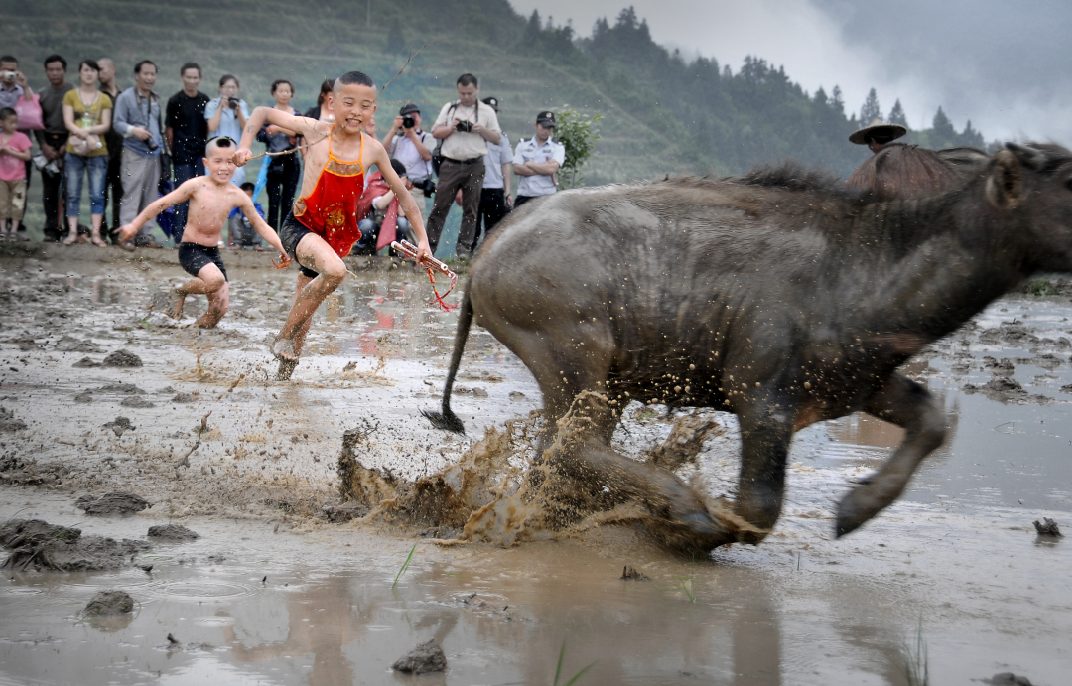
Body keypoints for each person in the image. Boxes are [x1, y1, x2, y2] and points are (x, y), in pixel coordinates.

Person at [233, 70, 432, 380]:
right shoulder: (315, 130)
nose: (356, 112)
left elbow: (405, 197)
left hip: (332, 237)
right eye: (348, 103)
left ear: (373, 111)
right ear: (332, 102)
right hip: (299, 227)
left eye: (365, 106)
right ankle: (283, 335)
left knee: (307, 309)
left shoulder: (373, 149)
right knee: (336, 272)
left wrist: (423, 241)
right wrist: (244, 145)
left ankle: (285, 378)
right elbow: (261, 113)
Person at [119, 138, 287, 328]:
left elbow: (261, 226)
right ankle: (181, 291)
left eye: (230, 162)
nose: (224, 167)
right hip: (190, 250)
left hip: (212, 252)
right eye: (218, 161)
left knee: (220, 308)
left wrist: (281, 247)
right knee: (216, 280)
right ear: (206, 163)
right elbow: (160, 204)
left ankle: (193, 333)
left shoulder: (236, 194)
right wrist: (133, 226)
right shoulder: (196, 186)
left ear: (237, 165)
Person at [428, 73, 501, 258]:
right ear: (458, 91)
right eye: (462, 93)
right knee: (440, 207)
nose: (466, 97)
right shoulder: (450, 108)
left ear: (477, 90)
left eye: (469, 93)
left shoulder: (486, 111)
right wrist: (451, 128)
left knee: (471, 209)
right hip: (450, 164)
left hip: (474, 165)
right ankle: (429, 248)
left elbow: (496, 138)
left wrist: (480, 129)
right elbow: (436, 132)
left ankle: (464, 250)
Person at [113, 60, 164, 248]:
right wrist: (134, 130)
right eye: (146, 74)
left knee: (151, 196)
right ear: (137, 76)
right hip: (133, 151)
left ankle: (145, 235)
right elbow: (117, 123)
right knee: (132, 193)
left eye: (153, 74)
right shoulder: (125, 97)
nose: (150, 78)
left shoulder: (155, 99)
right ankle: (127, 235)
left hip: (154, 153)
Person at [61, 60, 112, 246]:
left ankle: (96, 234)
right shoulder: (70, 96)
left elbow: (106, 124)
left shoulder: (103, 98)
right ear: (80, 73)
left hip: (97, 151)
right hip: (73, 150)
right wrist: (84, 133)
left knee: (97, 195)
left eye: (92, 71)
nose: (89, 74)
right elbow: (68, 121)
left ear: (98, 74)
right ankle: (72, 232)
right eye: (86, 70)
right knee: (72, 193)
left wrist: (87, 133)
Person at [166, 62, 209, 243]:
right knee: (182, 194)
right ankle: (179, 236)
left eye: (195, 77)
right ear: (183, 78)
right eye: (189, 77)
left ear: (200, 79)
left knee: (199, 195)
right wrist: (175, 150)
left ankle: (196, 234)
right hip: (181, 154)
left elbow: (207, 127)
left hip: (200, 153)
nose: (192, 81)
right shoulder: (175, 101)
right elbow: (169, 130)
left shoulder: (205, 100)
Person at [36, 55, 74, 242]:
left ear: (64, 70)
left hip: (70, 142)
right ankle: (51, 230)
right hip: (48, 143)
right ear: (46, 72)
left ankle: (69, 229)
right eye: (51, 70)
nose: (55, 73)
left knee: (69, 189)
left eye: (58, 69)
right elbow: (37, 123)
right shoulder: (42, 94)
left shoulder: (72, 92)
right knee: (49, 191)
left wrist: (69, 143)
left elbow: (78, 119)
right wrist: (44, 145)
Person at [257, 79, 301, 230]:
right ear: (274, 93)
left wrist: (278, 127)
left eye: (287, 91)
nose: (284, 94)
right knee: (273, 200)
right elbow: (261, 134)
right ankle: (272, 235)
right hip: (273, 160)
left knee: (288, 201)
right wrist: (284, 129)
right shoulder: (267, 113)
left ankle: (285, 235)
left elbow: (298, 131)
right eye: (281, 91)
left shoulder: (296, 114)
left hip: (291, 161)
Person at [0, 56, 35, 241]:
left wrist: (25, 85)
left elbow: (32, 109)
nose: (9, 74)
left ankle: (16, 227)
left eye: (13, 70)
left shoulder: (22, 90)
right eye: (6, 69)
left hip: (20, 144)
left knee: (20, 191)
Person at [353, 158, 420, 254]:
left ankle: (396, 248)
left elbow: (401, 214)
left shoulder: (399, 191)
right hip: (375, 226)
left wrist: (401, 191)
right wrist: (395, 187)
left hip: (391, 228)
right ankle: (363, 246)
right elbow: (380, 204)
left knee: (402, 222)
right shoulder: (376, 185)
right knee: (366, 225)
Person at [473, 95, 511, 251]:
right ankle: (466, 256)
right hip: (474, 185)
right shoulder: (472, 135)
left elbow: (505, 164)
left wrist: (508, 191)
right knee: (472, 226)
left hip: (495, 187)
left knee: (494, 228)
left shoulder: (501, 137)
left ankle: (488, 257)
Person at [512, 111, 564, 207]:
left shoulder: (557, 147)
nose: (546, 131)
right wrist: (544, 168)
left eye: (549, 128)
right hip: (525, 195)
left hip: (547, 196)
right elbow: (517, 169)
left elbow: (551, 169)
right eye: (544, 127)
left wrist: (529, 164)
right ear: (535, 125)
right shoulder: (523, 145)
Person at [205, 75, 249, 186]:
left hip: (235, 151)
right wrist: (220, 107)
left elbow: (246, 128)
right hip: (216, 150)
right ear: (220, 88)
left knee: (236, 182)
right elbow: (212, 127)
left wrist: (238, 111)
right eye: (227, 87)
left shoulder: (242, 105)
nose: (230, 90)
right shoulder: (212, 105)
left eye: (233, 87)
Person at [97, 58, 124, 241]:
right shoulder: (97, 96)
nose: (100, 73)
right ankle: (99, 231)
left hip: (122, 152)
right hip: (101, 152)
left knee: (120, 194)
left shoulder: (123, 96)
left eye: (102, 69)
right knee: (100, 194)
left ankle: (117, 231)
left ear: (113, 70)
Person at [382, 102, 433, 192]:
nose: (412, 120)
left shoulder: (427, 137)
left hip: (416, 185)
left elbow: (428, 156)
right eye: (408, 117)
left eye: (414, 116)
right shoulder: (397, 138)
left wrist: (411, 135)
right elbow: (384, 150)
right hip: (396, 184)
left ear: (420, 118)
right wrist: (394, 129)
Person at [0, 108, 32, 241]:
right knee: (1, 203)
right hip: (1, 177)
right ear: (1, 123)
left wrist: (10, 151)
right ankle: (2, 231)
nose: (14, 125)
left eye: (15, 122)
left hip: (18, 177)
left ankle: (13, 231)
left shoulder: (21, 137)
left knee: (17, 204)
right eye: (10, 122)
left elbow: (27, 156)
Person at [227, 181, 266, 249]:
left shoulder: (258, 207)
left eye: (248, 196)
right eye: (242, 196)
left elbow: (262, 218)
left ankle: (257, 243)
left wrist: (251, 210)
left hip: (253, 235)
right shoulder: (236, 208)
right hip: (240, 236)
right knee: (234, 217)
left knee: (261, 219)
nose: (245, 199)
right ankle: (237, 243)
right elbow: (230, 216)